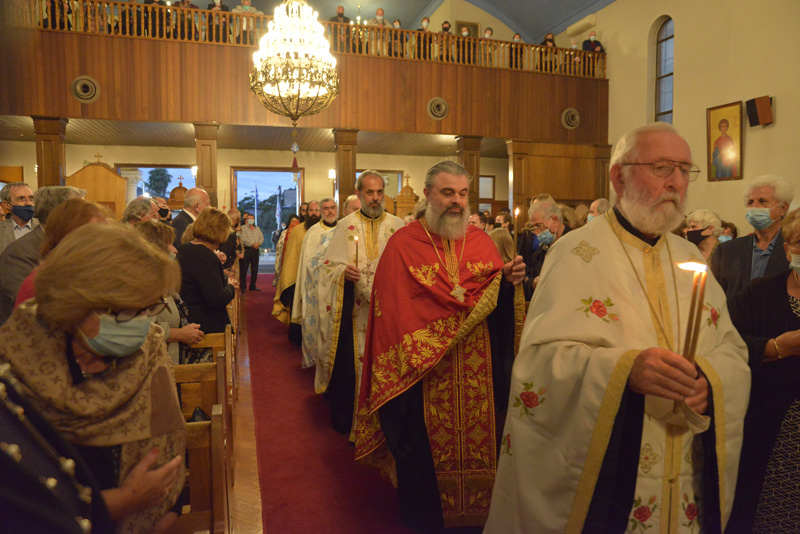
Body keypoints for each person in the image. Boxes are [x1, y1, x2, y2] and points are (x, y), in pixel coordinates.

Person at [485, 122, 750, 533]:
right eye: (662, 167)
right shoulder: (574, 254)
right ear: (618, 175)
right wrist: (624, 369)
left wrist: (710, 383)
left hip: (684, 476)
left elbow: (732, 350)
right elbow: (537, 365)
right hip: (613, 481)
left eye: (685, 170)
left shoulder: (689, 257)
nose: (677, 183)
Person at [355, 161, 525, 530]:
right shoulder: (403, 243)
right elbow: (391, 312)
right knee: (424, 471)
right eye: (448, 193)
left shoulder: (481, 241)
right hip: (423, 378)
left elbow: (495, 307)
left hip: (478, 375)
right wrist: (429, 344)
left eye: (464, 194)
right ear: (429, 195)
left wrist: (508, 283)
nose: (457, 202)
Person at [0, 223, 186, 533]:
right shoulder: (15, 365)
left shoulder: (149, 352)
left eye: (149, 308)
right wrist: (123, 501)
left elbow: (170, 455)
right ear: (75, 304)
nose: (144, 324)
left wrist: (167, 514)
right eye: (129, 311)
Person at [727, 207, 800, 532]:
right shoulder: (759, 294)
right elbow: (723, 344)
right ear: (786, 249)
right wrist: (775, 348)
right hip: (772, 437)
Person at [315, 172, 404, 435]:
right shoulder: (346, 225)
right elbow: (328, 268)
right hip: (355, 315)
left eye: (379, 192)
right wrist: (343, 274)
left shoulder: (398, 225)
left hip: (389, 316)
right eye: (369, 192)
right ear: (359, 193)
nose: (375, 198)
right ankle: (355, 424)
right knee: (353, 369)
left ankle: (384, 425)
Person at [0, 185, 84, 326]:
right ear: (59, 215)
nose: (85, 219)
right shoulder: (18, 254)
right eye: (81, 212)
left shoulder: (69, 244)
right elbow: (32, 307)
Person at [14, 198, 112, 308]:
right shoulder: (43, 285)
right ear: (67, 238)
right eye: (97, 235)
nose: (106, 242)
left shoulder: (88, 273)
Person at [710, 174, 794, 302]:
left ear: (783, 208)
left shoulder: (794, 250)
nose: (754, 206)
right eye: (750, 202)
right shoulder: (727, 251)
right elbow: (714, 298)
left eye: (762, 201)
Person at [135, 221, 204, 365]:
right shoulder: (143, 286)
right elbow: (140, 331)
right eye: (169, 244)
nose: (175, 250)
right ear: (153, 249)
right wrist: (180, 334)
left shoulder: (159, 281)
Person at [292, 197, 338, 368]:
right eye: (325, 208)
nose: (330, 211)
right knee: (316, 326)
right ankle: (315, 360)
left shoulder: (343, 229)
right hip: (315, 288)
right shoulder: (314, 232)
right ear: (320, 211)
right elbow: (307, 263)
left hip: (336, 287)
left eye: (332, 208)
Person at [177, 208, 238, 336]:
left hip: (188, 316)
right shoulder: (205, 256)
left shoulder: (185, 249)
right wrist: (231, 287)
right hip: (204, 324)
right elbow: (216, 299)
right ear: (220, 232)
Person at [273, 201, 319, 343]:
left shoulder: (327, 230)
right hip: (301, 277)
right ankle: (298, 337)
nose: (313, 213)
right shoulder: (298, 231)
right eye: (310, 210)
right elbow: (291, 255)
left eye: (316, 210)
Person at [523, 201, 569, 300]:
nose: (536, 232)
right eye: (533, 227)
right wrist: (533, 282)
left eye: (539, 225)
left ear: (555, 221)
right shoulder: (538, 253)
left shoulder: (574, 245)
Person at [0, 181, 38, 255]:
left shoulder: (45, 228)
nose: (29, 203)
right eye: (21, 198)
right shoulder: (1, 229)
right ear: (7, 204)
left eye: (31, 198)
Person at [239, 212, 263, 292]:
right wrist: (252, 244)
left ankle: (253, 285)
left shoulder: (257, 228)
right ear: (246, 220)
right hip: (247, 250)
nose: (251, 220)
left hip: (255, 250)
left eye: (252, 219)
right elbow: (243, 239)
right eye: (249, 219)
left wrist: (258, 244)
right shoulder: (242, 228)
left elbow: (261, 238)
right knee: (244, 269)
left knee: (255, 268)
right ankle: (243, 286)